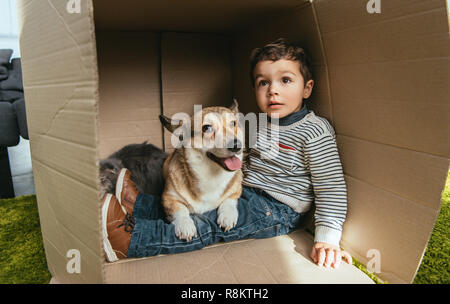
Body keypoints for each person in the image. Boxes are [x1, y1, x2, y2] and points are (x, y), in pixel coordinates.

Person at [102, 38, 352, 269]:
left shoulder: (314, 131)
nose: (272, 90)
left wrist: (328, 237)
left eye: (285, 80)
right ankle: (138, 205)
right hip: (246, 192)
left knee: (208, 226)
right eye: (263, 82)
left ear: (307, 89)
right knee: (195, 208)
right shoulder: (259, 122)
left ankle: (133, 240)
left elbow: (330, 187)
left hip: (277, 209)